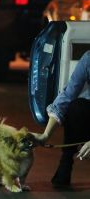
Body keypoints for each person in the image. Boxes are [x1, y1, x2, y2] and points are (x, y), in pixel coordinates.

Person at [35, 50, 90, 187]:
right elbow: (67, 95)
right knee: (76, 107)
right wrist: (45, 135)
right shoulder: (88, 58)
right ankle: (65, 163)